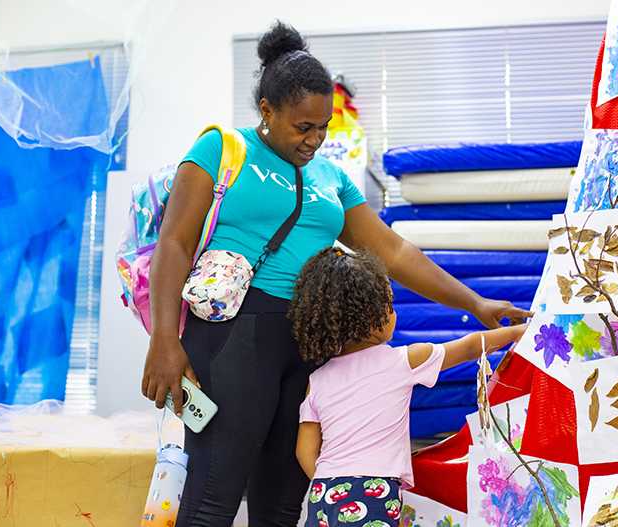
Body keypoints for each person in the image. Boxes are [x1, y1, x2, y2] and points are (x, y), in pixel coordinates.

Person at [141, 19, 532, 527]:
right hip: (236, 333)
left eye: (323, 126)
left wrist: (474, 303)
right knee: (214, 499)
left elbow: (394, 251)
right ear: (267, 110)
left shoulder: (330, 176)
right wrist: (164, 340)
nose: (315, 139)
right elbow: (174, 242)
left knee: (282, 505)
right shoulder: (221, 149)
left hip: (309, 341)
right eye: (303, 126)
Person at [290, 247, 528, 526]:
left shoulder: (317, 379)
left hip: (323, 492)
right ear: (372, 314)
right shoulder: (402, 361)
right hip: (372, 490)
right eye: (390, 304)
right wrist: (516, 332)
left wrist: (332, 485)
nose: (394, 313)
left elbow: (304, 451)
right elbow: (469, 348)